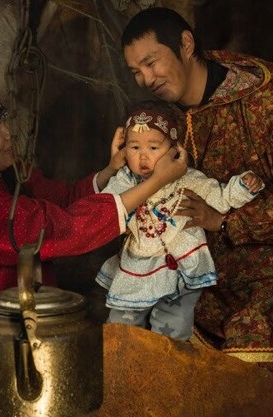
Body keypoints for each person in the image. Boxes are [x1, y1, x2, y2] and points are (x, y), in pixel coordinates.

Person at [0, 85, 189, 375]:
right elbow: (63, 227)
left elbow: (62, 200)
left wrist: (110, 171)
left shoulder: (3, 172)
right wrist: (156, 182)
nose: (8, 133)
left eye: (3, 120)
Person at [121, 7, 273, 377]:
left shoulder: (269, 104)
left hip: (269, 288)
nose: (146, 79)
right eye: (136, 71)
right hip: (196, 285)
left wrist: (223, 221)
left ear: (186, 44)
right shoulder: (159, 119)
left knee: (235, 387)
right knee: (147, 367)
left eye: (151, 63)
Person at [96, 100, 264, 341]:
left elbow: (220, 198)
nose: (143, 156)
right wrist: (113, 170)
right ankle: (123, 360)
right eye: (134, 147)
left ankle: (167, 361)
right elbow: (106, 206)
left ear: (174, 149)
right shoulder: (125, 181)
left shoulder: (188, 179)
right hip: (137, 264)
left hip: (181, 265)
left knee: (173, 324)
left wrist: (243, 186)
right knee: (123, 324)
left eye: (153, 147)